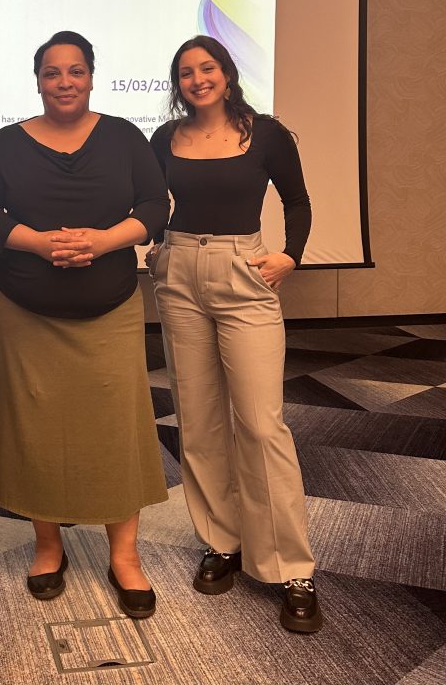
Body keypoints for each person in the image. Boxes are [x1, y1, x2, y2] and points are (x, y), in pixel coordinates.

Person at [0, 30, 169, 619]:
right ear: (38, 80)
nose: (65, 82)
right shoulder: (6, 143)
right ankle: (48, 546)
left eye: (76, 71)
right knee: (35, 426)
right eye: (53, 72)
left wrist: (105, 241)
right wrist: (38, 243)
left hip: (109, 308)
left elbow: (154, 205)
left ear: (91, 76)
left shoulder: (124, 136)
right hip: (25, 311)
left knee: (116, 426)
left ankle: (125, 555)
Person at [148, 34, 322, 633]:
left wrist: (291, 256)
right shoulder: (164, 138)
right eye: (186, 72)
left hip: (242, 271)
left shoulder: (265, 134)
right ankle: (221, 541)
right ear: (178, 84)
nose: (198, 79)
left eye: (208, 68)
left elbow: (298, 201)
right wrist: (155, 245)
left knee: (260, 423)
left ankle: (290, 566)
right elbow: (149, 205)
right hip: (179, 275)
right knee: (198, 420)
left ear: (226, 74)